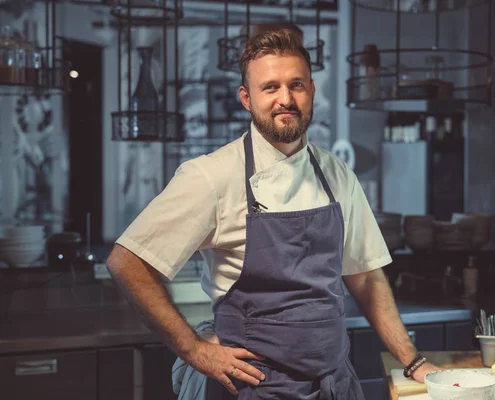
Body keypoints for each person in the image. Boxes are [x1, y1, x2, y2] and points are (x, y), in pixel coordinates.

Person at [106, 27, 439, 399]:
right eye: (270, 88)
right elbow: (128, 262)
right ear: (247, 99)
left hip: (335, 385)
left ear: (311, 91)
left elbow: (365, 278)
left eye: (296, 85)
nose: (286, 99)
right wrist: (195, 350)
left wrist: (412, 362)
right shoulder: (212, 176)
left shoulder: (337, 174)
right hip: (255, 389)